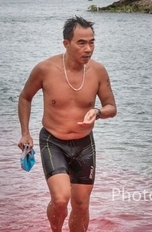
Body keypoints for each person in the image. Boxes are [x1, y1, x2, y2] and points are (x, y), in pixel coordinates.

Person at [18, 16, 117, 232]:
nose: (88, 49)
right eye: (81, 43)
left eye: (91, 42)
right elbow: (25, 97)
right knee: (61, 199)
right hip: (53, 142)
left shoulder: (98, 71)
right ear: (66, 43)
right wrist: (25, 133)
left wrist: (98, 112)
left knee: (81, 205)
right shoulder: (45, 69)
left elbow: (111, 107)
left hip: (84, 144)